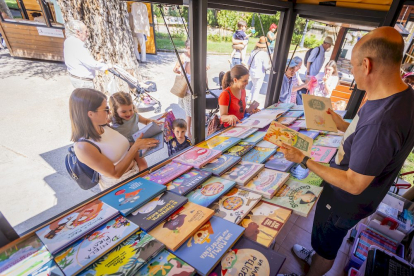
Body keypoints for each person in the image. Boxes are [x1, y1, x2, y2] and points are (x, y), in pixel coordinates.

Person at [277, 26, 414, 276]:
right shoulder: (400, 96)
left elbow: (353, 183)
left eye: (352, 66)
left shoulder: (383, 122)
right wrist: (342, 125)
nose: (351, 73)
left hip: (344, 200)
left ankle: (314, 269)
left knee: (328, 247)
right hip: (357, 198)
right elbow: (366, 139)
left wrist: (303, 159)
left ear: (367, 64)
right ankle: (316, 256)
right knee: (324, 242)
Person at [69, 88, 159, 191]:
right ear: (90, 114)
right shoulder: (83, 147)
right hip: (119, 186)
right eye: (106, 109)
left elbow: (126, 147)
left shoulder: (104, 125)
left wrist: (142, 165)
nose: (110, 112)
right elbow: (115, 173)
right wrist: (136, 147)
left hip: (137, 171)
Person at [109, 91, 162, 170]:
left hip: (135, 144)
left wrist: (153, 122)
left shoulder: (135, 116)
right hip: (122, 147)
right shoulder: (112, 119)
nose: (129, 113)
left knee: (143, 165)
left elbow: (146, 121)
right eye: (124, 111)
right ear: (115, 110)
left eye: (130, 110)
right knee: (130, 166)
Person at [64, 20, 111, 89]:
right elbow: (91, 64)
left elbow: (81, 60)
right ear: (78, 32)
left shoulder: (68, 41)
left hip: (75, 78)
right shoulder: (77, 44)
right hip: (83, 82)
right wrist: (107, 66)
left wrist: (97, 63)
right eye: (85, 31)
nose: (88, 34)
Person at [173, 39, 192, 140]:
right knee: (189, 112)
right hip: (185, 88)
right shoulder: (183, 56)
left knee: (190, 111)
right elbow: (175, 69)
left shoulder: (196, 56)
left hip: (193, 87)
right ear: (186, 47)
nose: (190, 50)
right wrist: (179, 70)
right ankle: (188, 131)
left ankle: (189, 130)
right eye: (189, 48)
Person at [247, 36, 271, 103]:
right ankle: (253, 101)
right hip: (259, 73)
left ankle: (249, 99)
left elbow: (248, 63)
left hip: (252, 72)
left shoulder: (253, 52)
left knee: (254, 86)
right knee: (257, 88)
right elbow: (266, 66)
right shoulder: (264, 54)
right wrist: (271, 65)